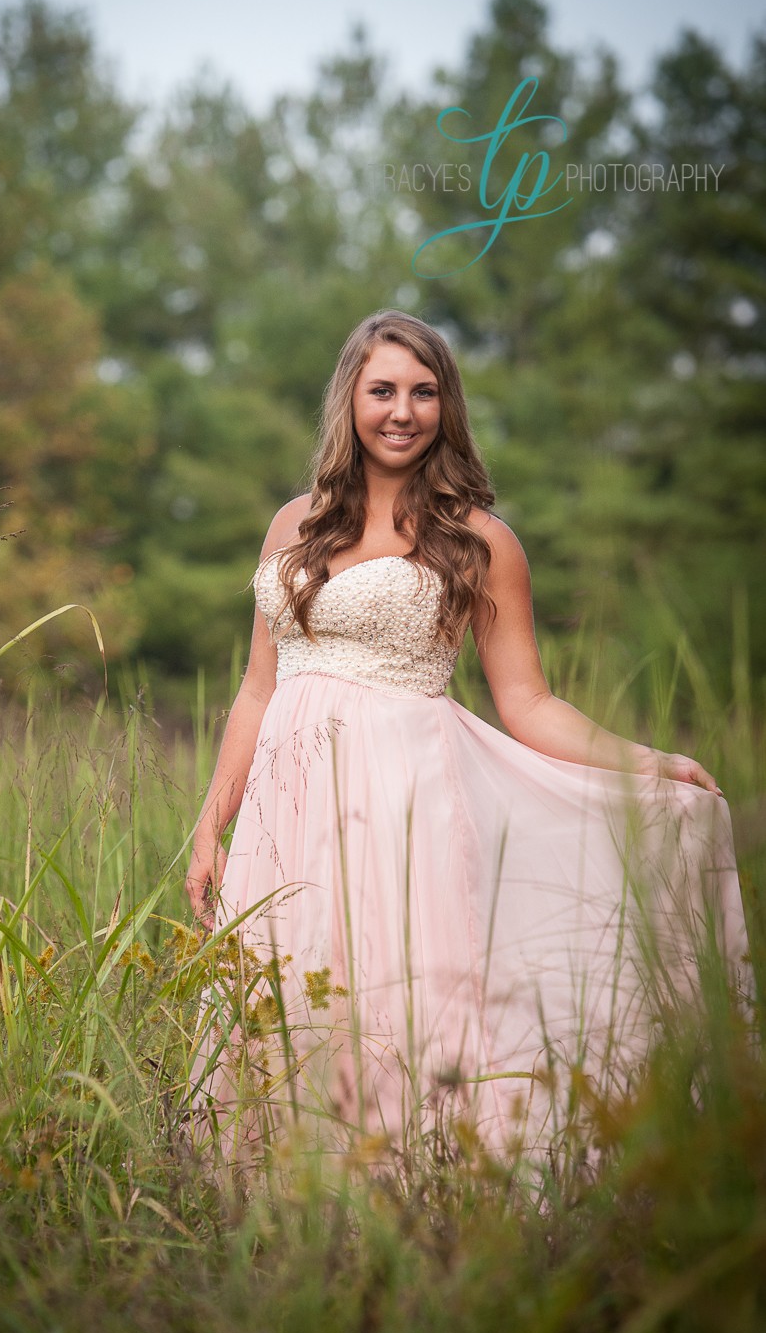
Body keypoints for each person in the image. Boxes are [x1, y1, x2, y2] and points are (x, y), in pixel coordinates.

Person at [185, 309, 747, 1160]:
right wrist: (209, 823)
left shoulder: (479, 540)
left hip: (403, 803)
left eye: (424, 392)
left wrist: (648, 762)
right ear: (351, 399)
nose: (402, 411)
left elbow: (527, 702)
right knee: (283, 998)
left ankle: (419, 1192)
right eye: (383, 390)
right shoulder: (292, 524)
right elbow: (258, 690)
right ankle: (280, 1202)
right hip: (284, 812)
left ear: (447, 407)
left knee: (395, 998)